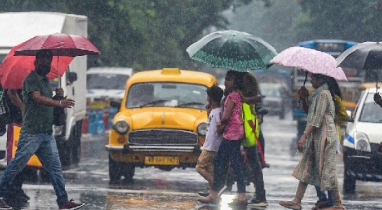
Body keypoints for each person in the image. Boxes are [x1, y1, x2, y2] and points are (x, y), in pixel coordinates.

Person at [0, 49, 85, 210]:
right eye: (43, 60)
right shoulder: (30, 80)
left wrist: (57, 96)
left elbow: (45, 102)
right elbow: (37, 98)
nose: (46, 64)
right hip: (31, 132)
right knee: (16, 165)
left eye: (49, 60)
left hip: (46, 133)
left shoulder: (45, 81)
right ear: (36, 61)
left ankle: (63, 202)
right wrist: (58, 103)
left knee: (55, 169)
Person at [279, 73, 345, 210]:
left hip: (325, 137)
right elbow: (309, 111)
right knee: (308, 168)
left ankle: (338, 204)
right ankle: (297, 200)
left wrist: (303, 137)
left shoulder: (323, 94)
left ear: (321, 80)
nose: (311, 80)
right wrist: (304, 98)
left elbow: (317, 120)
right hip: (317, 136)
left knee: (327, 170)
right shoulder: (317, 94)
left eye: (313, 78)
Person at [198, 70, 247, 206]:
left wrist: (221, 122)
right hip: (235, 132)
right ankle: (241, 194)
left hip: (232, 133)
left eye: (229, 79)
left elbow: (226, 115)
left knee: (219, 160)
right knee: (235, 163)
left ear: (235, 82)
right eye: (225, 79)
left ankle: (214, 192)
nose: (226, 82)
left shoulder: (232, 96)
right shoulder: (236, 95)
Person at [240, 72, 268, 207]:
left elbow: (257, 108)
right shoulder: (239, 94)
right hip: (242, 131)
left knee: (255, 163)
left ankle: (260, 195)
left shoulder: (249, 97)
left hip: (248, 132)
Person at [195, 85, 223, 197]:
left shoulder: (217, 113)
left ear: (210, 97)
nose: (206, 98)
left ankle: (216, 185)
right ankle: (213, 194)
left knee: (199, 167)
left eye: (208, 96)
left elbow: (218, 128)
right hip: (211, 145)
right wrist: (208, 112)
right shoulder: (215, 111)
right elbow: (211, 125)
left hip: (211, 146)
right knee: (210, 169)